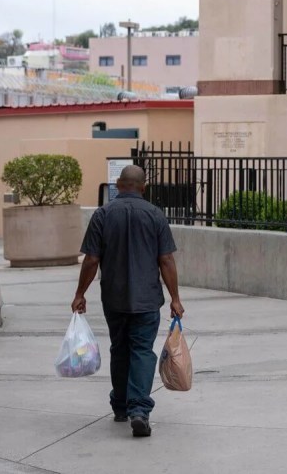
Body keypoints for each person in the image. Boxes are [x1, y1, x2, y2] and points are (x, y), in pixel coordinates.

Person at [71, 164, 185, 438]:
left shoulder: (103, 215)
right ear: (143, 187)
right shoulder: (155, 215)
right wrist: (175, 298)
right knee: (142, 350)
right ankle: (139, 410)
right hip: (147, 299)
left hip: (114, 298)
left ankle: (121, 406)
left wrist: (80, 293)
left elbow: (92, 259)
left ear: (118, 184)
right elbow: (166, 260)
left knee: (120, 348)